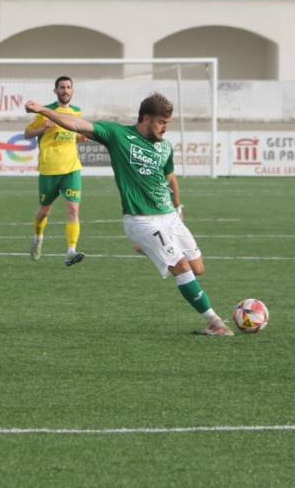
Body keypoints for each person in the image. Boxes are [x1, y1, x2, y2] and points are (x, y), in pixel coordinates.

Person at [24, 92, 234, 336]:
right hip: (141, 220)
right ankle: (215, 322)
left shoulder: (165, 147)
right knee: (181, 266)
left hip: (169, 217)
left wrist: (178, 208)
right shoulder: (118, 135)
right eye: (161, 122)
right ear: (145, 118)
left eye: (168, 123)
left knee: (198, 269)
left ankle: (146, 248)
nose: (165, 128)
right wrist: (42, 109)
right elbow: (77, 124)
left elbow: (170, 178)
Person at [24, 76, 85, 265]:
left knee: (73, 210)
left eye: (68, 87)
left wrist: (80, 138)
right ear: (55, 91)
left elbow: (74, 135)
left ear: (72, 91)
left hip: (71, 169)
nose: (65, 90)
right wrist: (42, 128)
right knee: (44, 212)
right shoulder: (46, 112)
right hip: (49, 169)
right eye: (62, 87)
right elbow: (27, 134)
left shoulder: (77, 112)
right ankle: (38, 237)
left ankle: (71, 251)